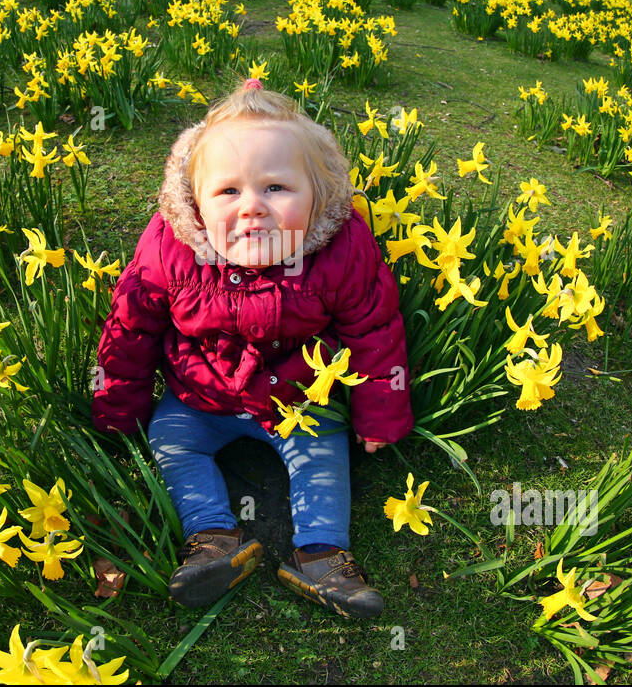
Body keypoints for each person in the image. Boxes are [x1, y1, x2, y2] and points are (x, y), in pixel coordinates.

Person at [92, 80, 413, 619]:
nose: (253, 209)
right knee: (169, 440)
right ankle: (214, 537)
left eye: (277, 189)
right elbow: (130, 326)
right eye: (228, 192)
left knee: (323, 451)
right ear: (192, 203)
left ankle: (322, 555)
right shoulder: (171, 248)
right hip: (198, 395)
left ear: (319, 196)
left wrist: (379, 412)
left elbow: (375, 330)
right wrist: (119, 407)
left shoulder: (343, 247)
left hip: (296, 399)